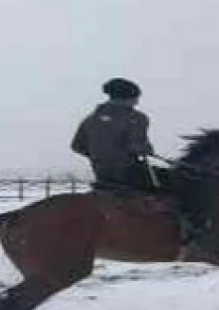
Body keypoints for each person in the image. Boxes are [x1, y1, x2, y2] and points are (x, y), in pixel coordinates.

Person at [70, 78, 209, 250]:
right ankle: (194, 229)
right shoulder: (136, 118)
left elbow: (77, 146)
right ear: (128, 97)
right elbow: (138, 146)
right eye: (136, 97)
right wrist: (143, 150)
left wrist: (100, 157)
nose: (136, 101)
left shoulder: (90, 120)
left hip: (102, 174)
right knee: (182, 182)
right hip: (129, 172)